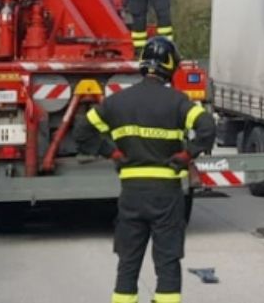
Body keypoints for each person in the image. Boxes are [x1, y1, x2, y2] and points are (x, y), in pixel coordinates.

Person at [74, 37, 216, 303]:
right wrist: (187, 154)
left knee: (128, 261)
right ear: (170, 65)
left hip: (132, 194)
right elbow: (208, 127)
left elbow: (82, 132)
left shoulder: (117, 102)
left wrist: (112, 152)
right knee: (167, 261)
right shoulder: (178, 101)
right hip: (167, 195)